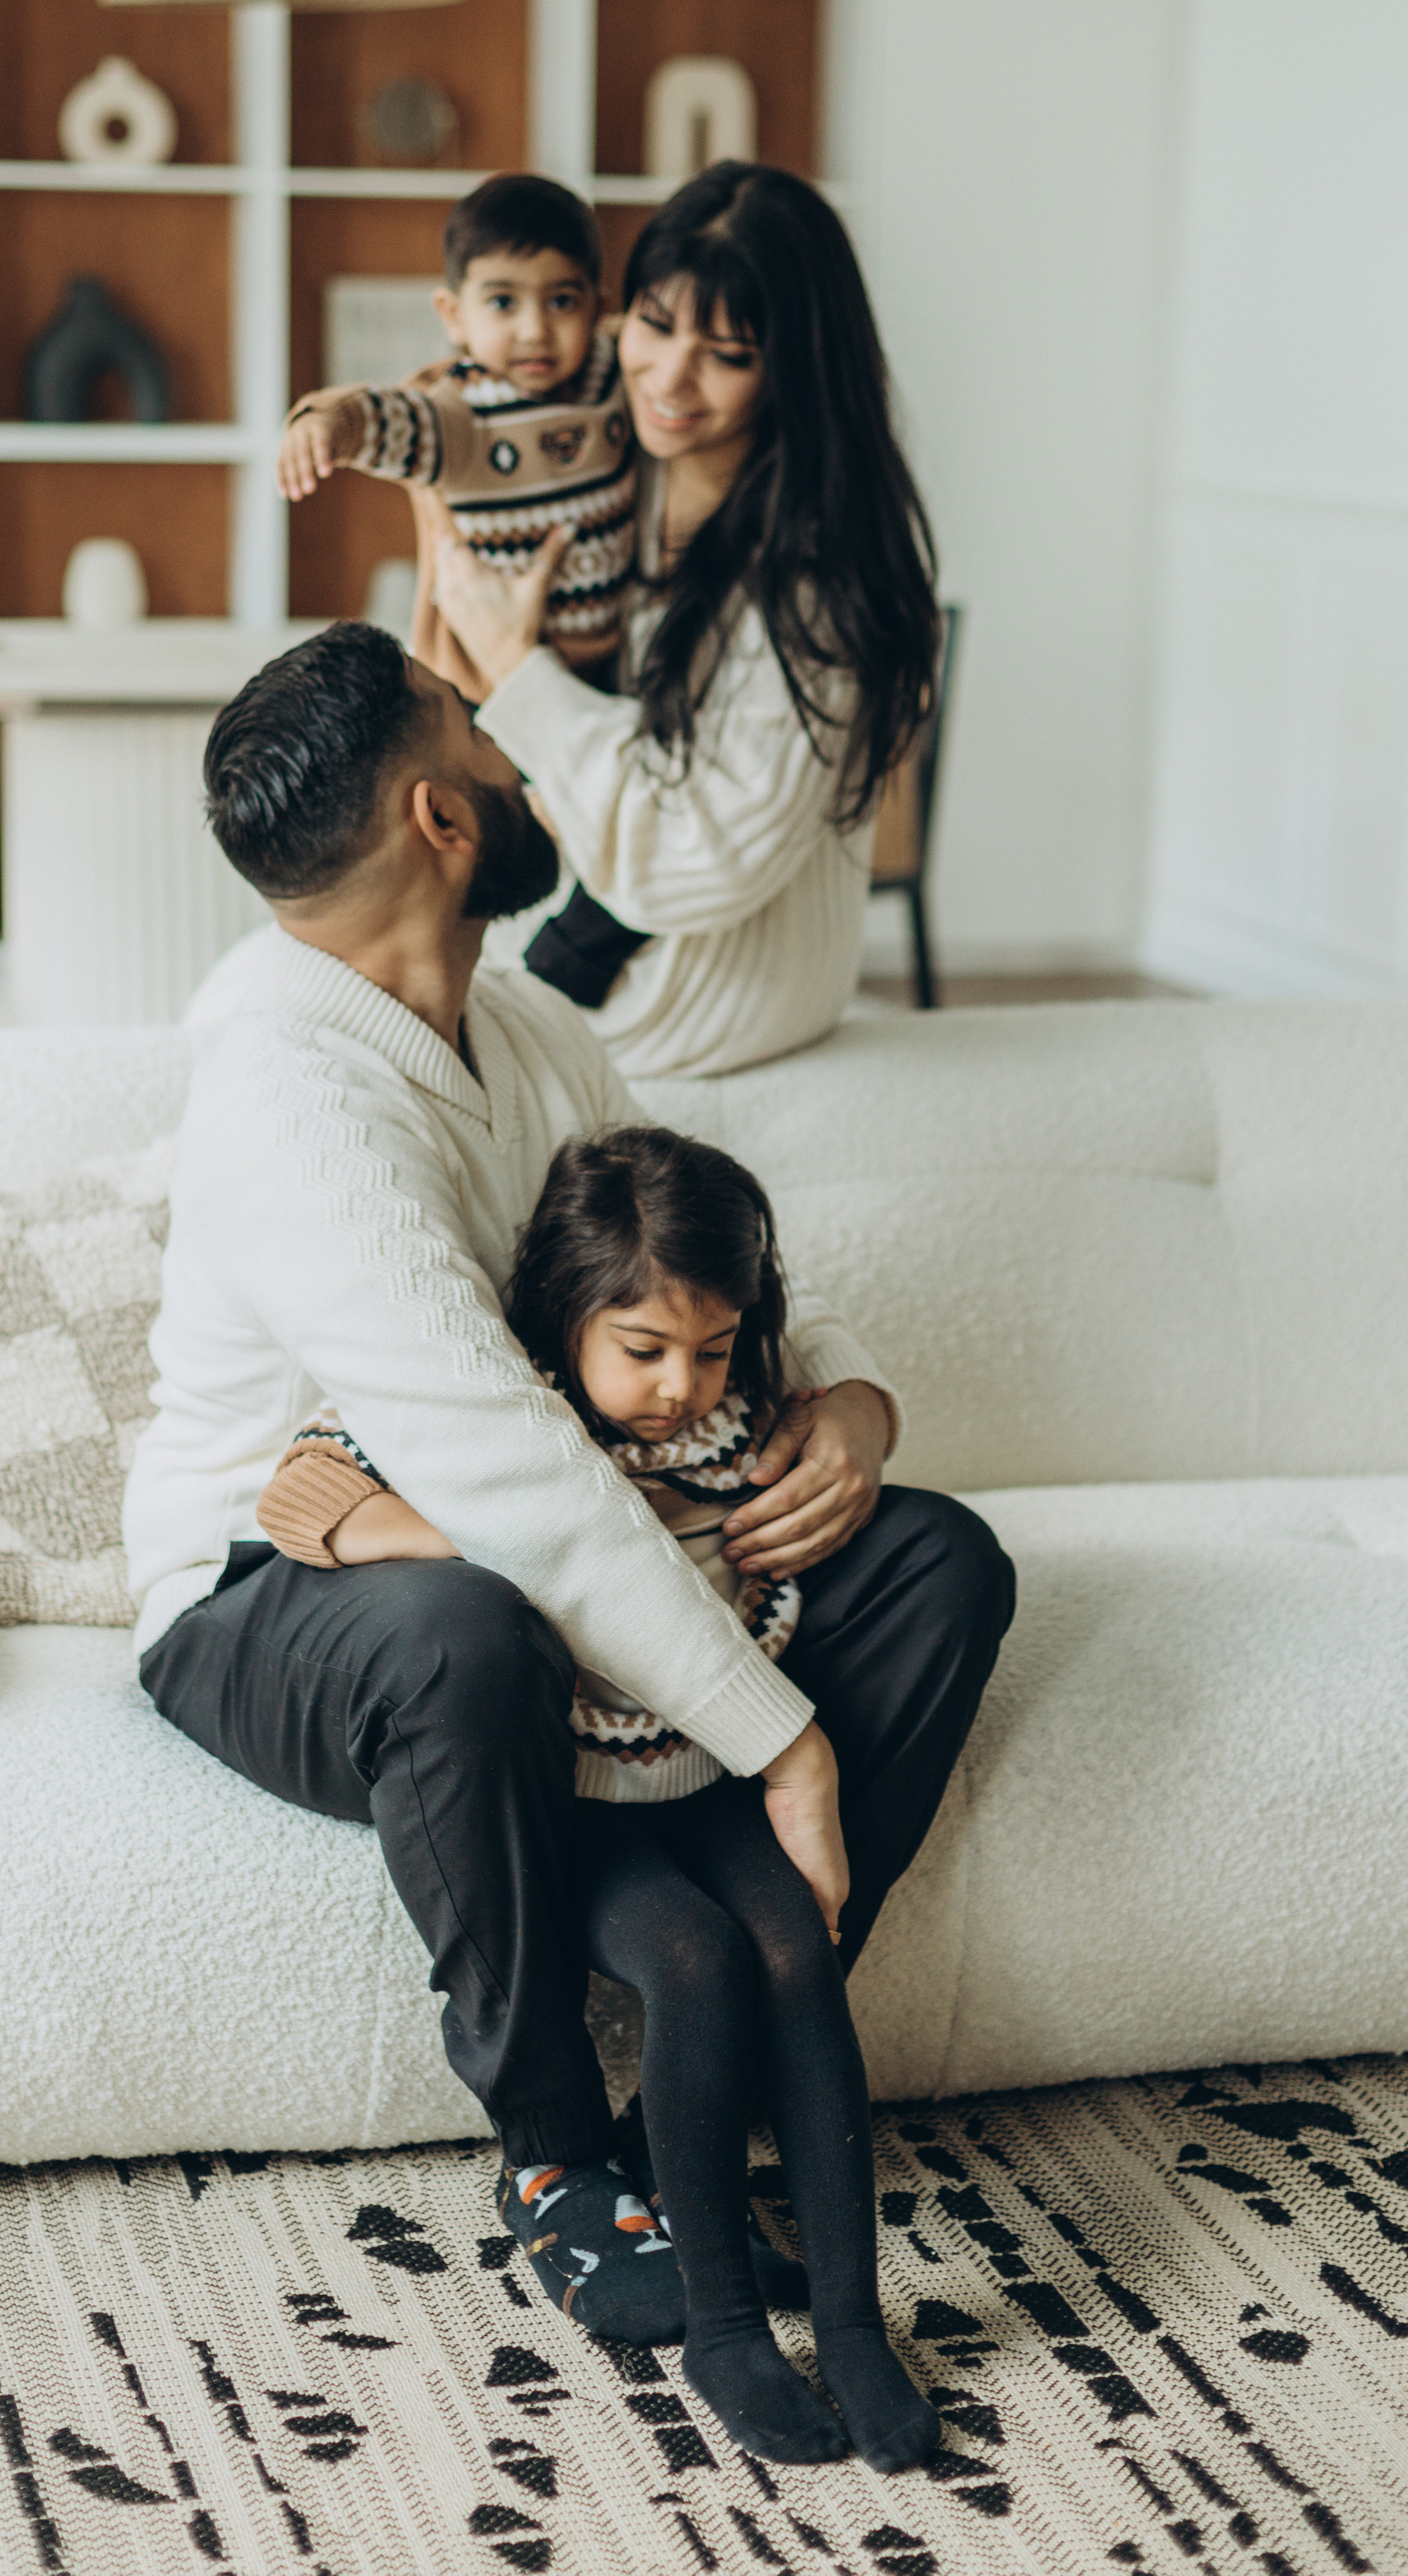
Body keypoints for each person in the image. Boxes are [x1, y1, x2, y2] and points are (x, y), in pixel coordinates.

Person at [127, 618, 1014, 2355]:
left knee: (937, 1564)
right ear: (438, 818)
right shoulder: (287, 1104)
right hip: (276, 1587)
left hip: (536, 1543)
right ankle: (551, 2159)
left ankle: (722, 2073)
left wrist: (838, 1399)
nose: (517, 757)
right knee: (462, 1632)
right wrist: (785, 1736)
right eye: (477, 729)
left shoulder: (522, 1026)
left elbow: (682, 1258)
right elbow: (506, 1474)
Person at [256, 1123, 939, 2472]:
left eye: (713, 1348)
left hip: (696, 1767)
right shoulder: (494, 1413)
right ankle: (728, 2331)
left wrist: (849, 1414)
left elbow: (839, 1390)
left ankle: (856, 2328)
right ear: (569, 1317)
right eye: (643, 1351)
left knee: (796, 1950)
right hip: (571, 1792)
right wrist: (481, 1546)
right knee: (691, 1961)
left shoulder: (743, 1411)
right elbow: (300, 1495)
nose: (681, 1387)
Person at [425, 158, 942, 1079]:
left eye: (728, 356)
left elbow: (697, 853)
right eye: (653, 327)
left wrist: (514, 665)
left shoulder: (809, 574)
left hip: (703, 981)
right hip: (587, 915)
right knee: (281, 975)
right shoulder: (620, 461)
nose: (668, 378)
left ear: (793, 371)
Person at [277, 172, 636, 674]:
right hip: (488, 678)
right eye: (502, 303)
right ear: (453, 316)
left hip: (613, 657)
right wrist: (330, 424)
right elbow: (391, 419)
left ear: (598, 308)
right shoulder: (463, 413)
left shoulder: (609, 371)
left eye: (562, 302)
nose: (534, 330)